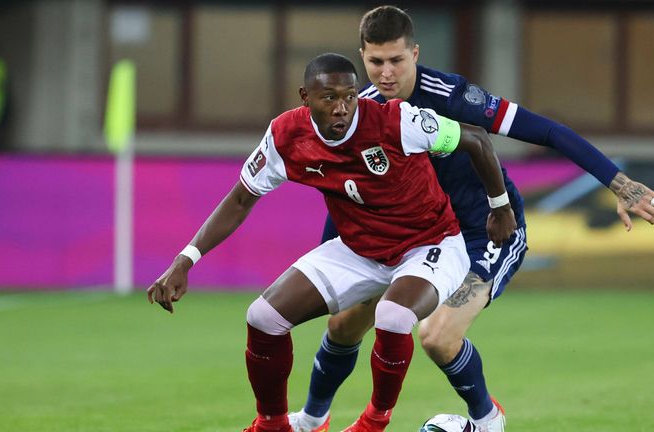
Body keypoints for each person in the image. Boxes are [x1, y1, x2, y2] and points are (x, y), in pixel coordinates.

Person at [287, 6, 654, 432]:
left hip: (482, 230)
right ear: (362, 58)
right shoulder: (360, 112)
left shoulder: (453, 96)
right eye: (376, 62)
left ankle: (488, 421)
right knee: (344, 322)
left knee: (436, 336)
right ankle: (311, 420)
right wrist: (330, 261)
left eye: (397, 60)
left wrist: (619, 184)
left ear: (415, 53)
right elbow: (346, 195)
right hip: (407, 237)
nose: (386, 73)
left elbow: (547, 131)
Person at [147, 52, 519, 432]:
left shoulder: (396, 121)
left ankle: (374, 421)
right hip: (358, 249)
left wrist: (500, 207)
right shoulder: (285, 136)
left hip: (430, 244)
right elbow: (241, 198)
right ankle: (273, 424)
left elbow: (475, 139)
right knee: (263, 317)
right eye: (329, 98)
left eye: (350, 96)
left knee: (392, 317)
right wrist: (185, 260)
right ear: (305, 97)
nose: (342, 108)